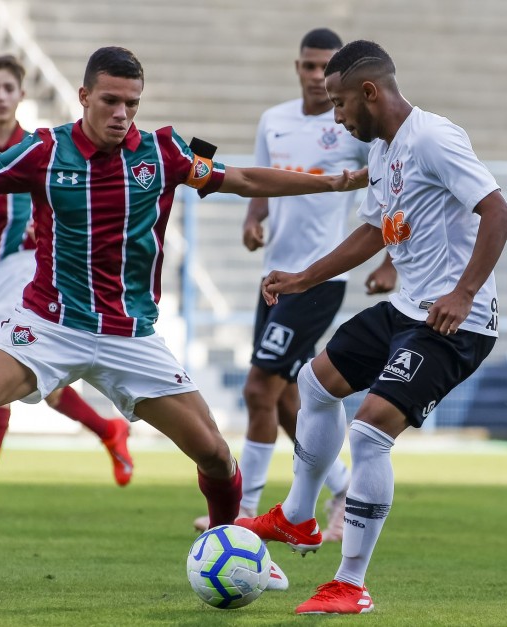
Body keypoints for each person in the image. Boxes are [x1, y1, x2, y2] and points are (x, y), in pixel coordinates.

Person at [0, 47, 363, 561]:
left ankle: (230, 555)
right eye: (111, 101)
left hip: (132, 337)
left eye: (132, 103)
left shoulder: (163, 152)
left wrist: (334, 184)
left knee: (216, 456)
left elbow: (241, 177)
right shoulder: (43, 151)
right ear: (83, 96)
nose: (123, 113)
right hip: (48, 324)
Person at [235, 40, 507, 614]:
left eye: (340, 104)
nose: (335, 116)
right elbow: (373, 233)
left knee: (368, 434)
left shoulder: (433, 138)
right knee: (313, 385)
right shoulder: (385, 150)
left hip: (454, 322)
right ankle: (296, 517)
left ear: (369, 92)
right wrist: (305, 278)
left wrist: (463, 294)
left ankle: (351, 583)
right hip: (408, 308)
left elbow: (498, 212)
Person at [191, 28, 395, 542]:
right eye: (306, 66)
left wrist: (390, 260)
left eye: (322, 67)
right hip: (275, 276)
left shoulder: (352, 124)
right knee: (284, 402)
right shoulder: (274, 121)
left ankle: (244, 512)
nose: (312, 75)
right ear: (297, 66)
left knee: (259, 388)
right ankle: (342, 486)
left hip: (321, 278)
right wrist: (252, 220)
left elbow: (393, 192)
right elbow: (261, 180)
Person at [0, 54, 133, 511]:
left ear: (21, 94)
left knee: (1, 359)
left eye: (8, 88)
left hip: (26, 266)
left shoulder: (39, 147)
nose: (1, 96)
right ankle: (109, 429)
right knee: (38, 377)